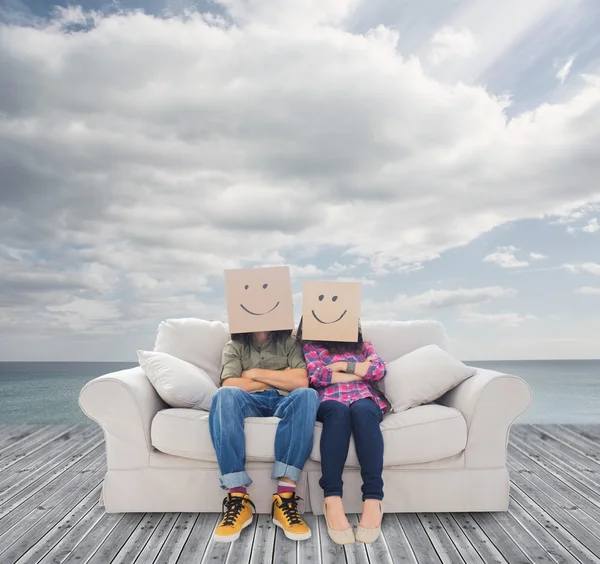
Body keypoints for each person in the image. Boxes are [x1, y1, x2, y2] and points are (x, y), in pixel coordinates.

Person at [209, 328, 320, 543]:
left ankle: (285, 499)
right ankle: (238, 498)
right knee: (224, 395)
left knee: (308, 395)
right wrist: (281, 377)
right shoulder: (234, 346)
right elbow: (230, 384)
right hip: (249, 401)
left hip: (286, 400)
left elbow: (301, 382)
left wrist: (253, 373)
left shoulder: (289, 342)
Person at [297, 318, 387, 545]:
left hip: (364, 399)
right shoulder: (312, 347)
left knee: (364, 412)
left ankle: (373, 499)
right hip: (329, 401)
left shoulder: (364, 346)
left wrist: (339, 367)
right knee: (338, 413)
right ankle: (332, 499)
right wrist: (359, 371)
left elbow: (377, 370)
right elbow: (317, 376)